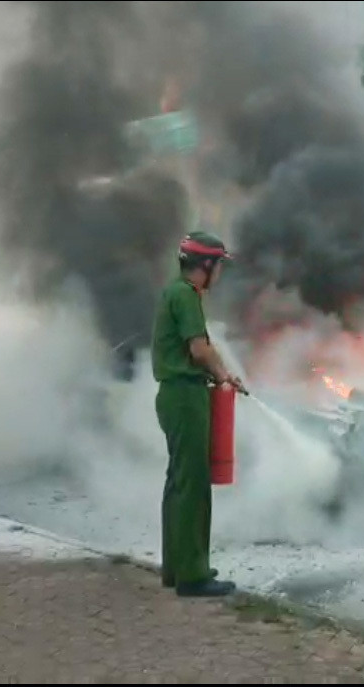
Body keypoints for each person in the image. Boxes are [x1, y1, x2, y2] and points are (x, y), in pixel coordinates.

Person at [151, 231, 244, 597]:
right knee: (193, 485)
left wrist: (221, 373)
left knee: (178, 481)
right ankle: (193, 576)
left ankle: (176, 566)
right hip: (186, 398)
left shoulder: (173, 291)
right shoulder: (187, 296)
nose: (220, 273)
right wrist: (222, 375)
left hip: (174, 396)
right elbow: (199, 349)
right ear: (206, 266)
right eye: (219, 265)